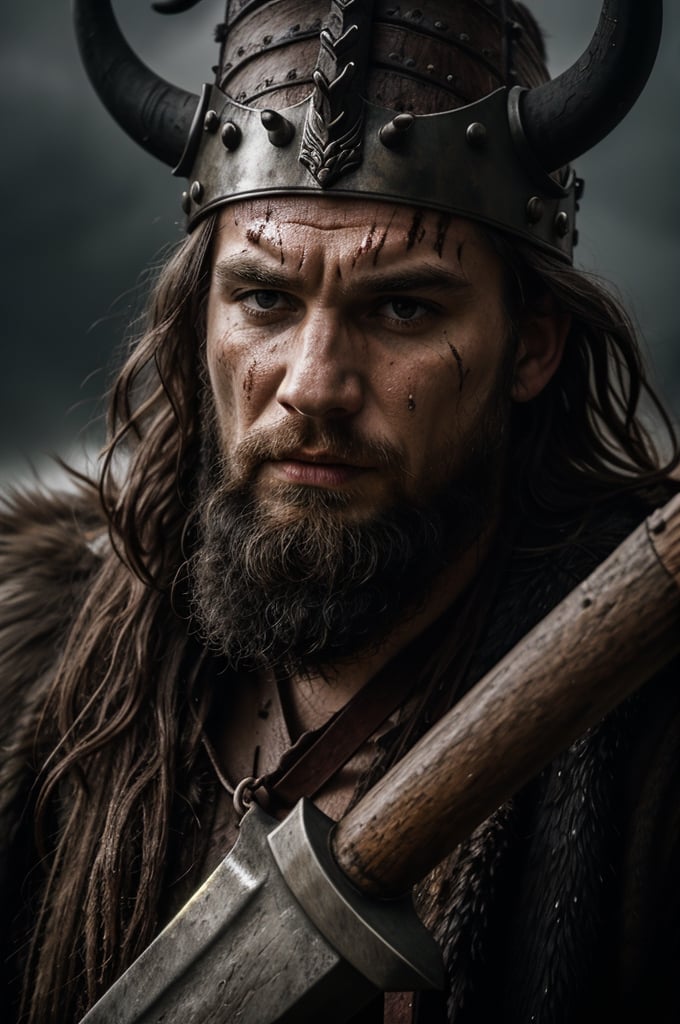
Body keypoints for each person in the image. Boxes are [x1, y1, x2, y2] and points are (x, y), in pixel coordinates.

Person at [1, 1, 678, 1022]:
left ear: (530, 346)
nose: (312, 385)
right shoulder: (44, 681)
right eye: (265, 300)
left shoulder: (651, 736)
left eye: (402, 306)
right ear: (201, 323)